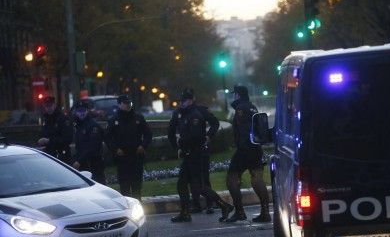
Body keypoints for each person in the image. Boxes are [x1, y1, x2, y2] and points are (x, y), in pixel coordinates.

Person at [168, 88, 233, 223]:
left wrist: (207, 137)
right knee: (182, 183)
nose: (182, 103)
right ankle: (185, 212)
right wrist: (179, 146)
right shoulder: (182, 113)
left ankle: (223, 205)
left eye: (184, 101)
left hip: (196, 153)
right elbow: (174, 131)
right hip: (189, 153)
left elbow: (196, 135)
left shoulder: (196, 113)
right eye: (181, 101)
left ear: (191, 100)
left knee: (198, 186)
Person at [224, 85, 270, 223]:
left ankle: (239, 212)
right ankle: (265, 212)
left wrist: (241, 149)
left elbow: (243, 131)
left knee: (232, 178)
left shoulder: (240, 109)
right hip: (256, 148)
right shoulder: (252, 107)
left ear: (237, 95)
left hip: (246, 149)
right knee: (257, 179)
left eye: (234, 94)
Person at [105, 95, 152, 200]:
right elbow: (108, 137)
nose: (128, 106)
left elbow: (148, 134)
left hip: (136, 156)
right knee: (124, 186)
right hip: (122, 157)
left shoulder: (138, 118)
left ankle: (137, 205)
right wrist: (115, 149)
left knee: (136, 186)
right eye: (125, 104)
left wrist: (143, 146)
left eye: (129, 103)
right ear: (119, 104)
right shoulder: (114, 120)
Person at [72, 101, 106, 184]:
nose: (81, 113)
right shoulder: (78, 125)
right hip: (83, 163)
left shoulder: (93, 126)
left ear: (87, 111)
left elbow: (92, 146)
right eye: (79, 111)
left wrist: (79, 161)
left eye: (83, 110)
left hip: (93, 163)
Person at [37, 95, 73, 164]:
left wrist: (49, 141)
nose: (48, 108)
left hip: (62, 155)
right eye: (46, 106)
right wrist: (41, 140)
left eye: (50, 105)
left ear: (54, 105)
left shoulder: (63, 119)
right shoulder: (46, 119)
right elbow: (43, 133)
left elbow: (67, 139)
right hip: (50, 154)